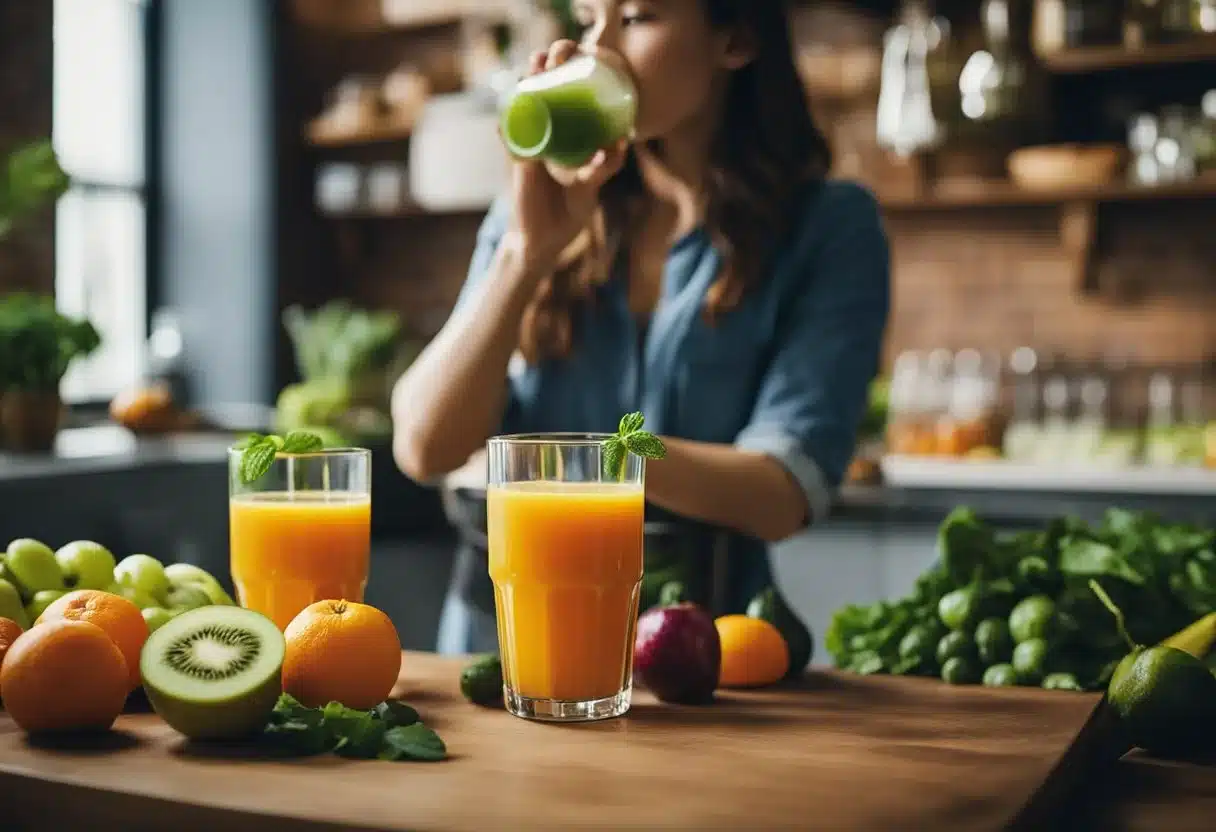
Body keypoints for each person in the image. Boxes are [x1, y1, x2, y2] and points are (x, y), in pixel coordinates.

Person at [392, 0, 891, 655]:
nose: (600, 49)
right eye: (588, 19)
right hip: (505, 649)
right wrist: (527, 253)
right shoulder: (543, 208)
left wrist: (599, 459)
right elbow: (424, 445)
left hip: (699, 656)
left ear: (735, 37)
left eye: (634, 19)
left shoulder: (830, 227)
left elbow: (784, 489)